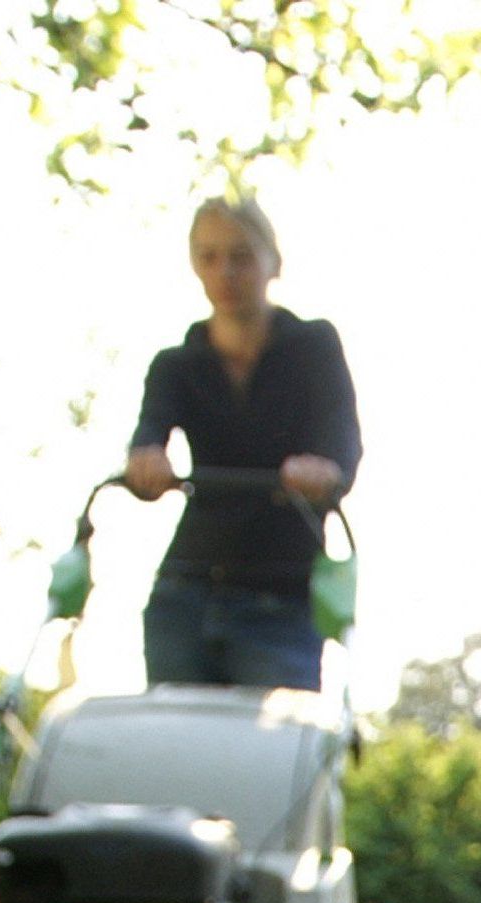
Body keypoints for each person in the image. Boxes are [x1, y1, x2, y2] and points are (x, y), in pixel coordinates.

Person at [125, 196, 361, 691]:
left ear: (273, 262)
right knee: (173, 751)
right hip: (183, 595)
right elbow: (148, 441)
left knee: (271, 762)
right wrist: (147, 466)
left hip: (281, 598)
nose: (226, 272)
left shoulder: (314, 348)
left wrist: (324, 472)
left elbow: (343, 448)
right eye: (209, 257)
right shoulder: (176, 366)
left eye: (241, 256)